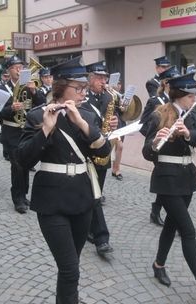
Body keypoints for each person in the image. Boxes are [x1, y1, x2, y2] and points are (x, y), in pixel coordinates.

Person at [17, 56, 111, 304]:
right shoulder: (38, 116)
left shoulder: (87, 116)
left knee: (71, 265)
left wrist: (80, 123)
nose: (83, 92)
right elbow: (23, 159)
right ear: (60, 87)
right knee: (70, 268)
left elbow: (104, 152)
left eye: (84, 87)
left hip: (82, 198)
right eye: (77, 88)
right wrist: (46, 129)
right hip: (51, 201)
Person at [142, 72, 196, 304]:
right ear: (180, 95)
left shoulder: (193, 116)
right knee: (188, 230)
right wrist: (157, 140)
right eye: (191, 95)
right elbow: (147, 152)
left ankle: (158, 265)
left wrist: (190, 135)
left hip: (187, 178)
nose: (194, 98)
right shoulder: (159, 114)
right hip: (166, 179)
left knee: (171, 223)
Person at [81, 60, 118, 257]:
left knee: (96, 191)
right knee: (94, 194)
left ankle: (87, 226)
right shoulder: (81, 97)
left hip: (103, 150)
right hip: (88, 151)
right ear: (90, 78)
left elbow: (117, 118)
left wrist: (115, 122)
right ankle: (101, 237)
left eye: (105, 77)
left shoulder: (108, 97)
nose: (103, 81)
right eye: (99, 77)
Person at [140, 65, 180, 226]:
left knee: (171, 183)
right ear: (165, 84)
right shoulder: (155, 101)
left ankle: (156, 210)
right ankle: (171, 216)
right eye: (172, 82)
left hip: (177, 147)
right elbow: (144, 124)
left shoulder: (180, 103)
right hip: (160, 148)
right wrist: (155, 137)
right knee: (167, 181)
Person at [0, 54, 31, 214]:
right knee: (17, 166)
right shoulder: (2, 88)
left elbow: (39, 103)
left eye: (21, 67)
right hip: (11, 132)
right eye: (16, 67)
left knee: (26, 164)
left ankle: (24, 194)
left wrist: (34, 90)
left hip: (26, 131)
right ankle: (17, 199)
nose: (20, 70)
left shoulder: (27, 86)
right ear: (9, 70)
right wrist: (11, 108)